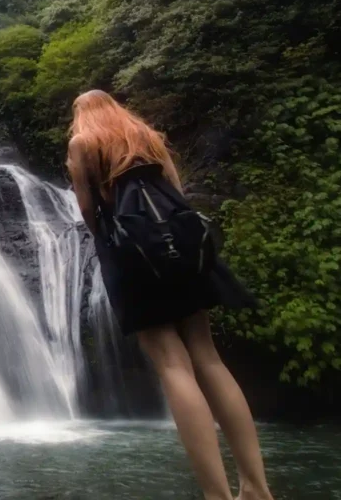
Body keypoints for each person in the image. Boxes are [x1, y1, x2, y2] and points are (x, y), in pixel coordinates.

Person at [65, 90, 274, 500]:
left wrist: (111, 246)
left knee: (173, 364)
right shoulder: (145, 135)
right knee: (208, 357)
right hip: (181, 245)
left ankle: (217, 495)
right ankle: (256, 487)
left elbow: (88, 209)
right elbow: (176, 190)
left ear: (81, 115)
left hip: (134, 254)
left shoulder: (82, 143)